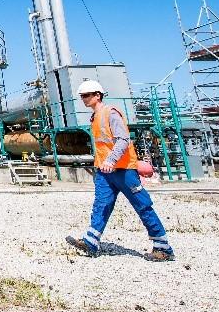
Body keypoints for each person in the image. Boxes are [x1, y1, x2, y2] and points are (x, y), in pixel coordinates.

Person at [65, 79, 175, 262]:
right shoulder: (94, 117)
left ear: (97, 95)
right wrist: (102, 164)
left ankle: (163, 247)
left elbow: (123, 140)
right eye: (82, 96)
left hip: (123, 170)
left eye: (86, 95)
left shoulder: (111, 113)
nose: (83, 99)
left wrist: (111, 160)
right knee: (101, 205)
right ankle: (91, 241)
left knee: (142, 205)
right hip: (104, 171)